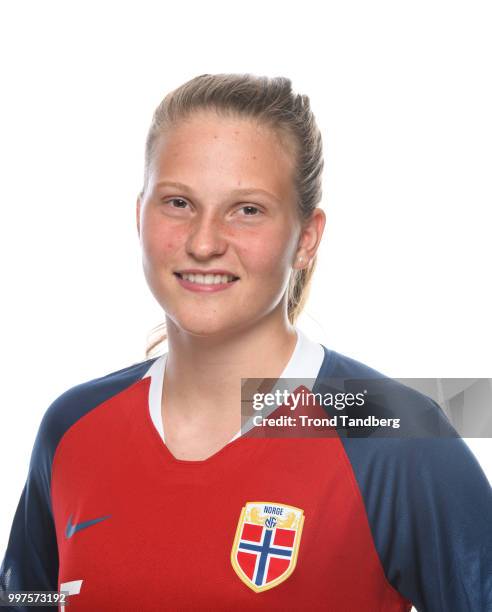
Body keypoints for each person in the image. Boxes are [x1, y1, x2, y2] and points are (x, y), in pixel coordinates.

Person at [1, 73, 491, 612]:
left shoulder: (392, 431)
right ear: (138, 213)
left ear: (306, 239)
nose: (204, 242)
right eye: (178, 202)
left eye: (248, 210)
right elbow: (28, 597)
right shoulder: (72, 427)